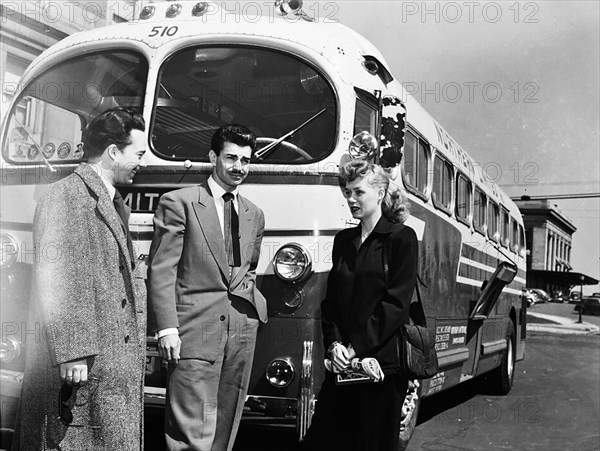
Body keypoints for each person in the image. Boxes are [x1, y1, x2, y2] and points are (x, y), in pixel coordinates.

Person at [12, 108, 148, 450]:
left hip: (106, 362)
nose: (142, 163)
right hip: (82, 367)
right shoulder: (67, 197)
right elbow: (62, 274)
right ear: (114, 152)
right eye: (139, 154)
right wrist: (74, 351)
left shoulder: (105, 199)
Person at [148, 124, 267, 451]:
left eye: (245, 159)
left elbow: (248, 270)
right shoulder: (179, 202)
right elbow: (161, 270)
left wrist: (250, 318)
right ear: (213, 157)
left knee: (224, 429)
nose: (239, 166)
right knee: (190, 431)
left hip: (241, 333)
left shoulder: (254, 214)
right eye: (231, 157)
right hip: (193, 331)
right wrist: (167, 327)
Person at [302, 159, 418, 451]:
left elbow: (395, 304)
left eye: (358, 192)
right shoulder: (344, 240)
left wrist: (355, 348)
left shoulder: (401, 238)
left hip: (382, 369)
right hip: (342, 367)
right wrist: (335, 346)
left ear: (380, 193)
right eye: (347, 192)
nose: (350, 199)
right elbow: (331, 305)